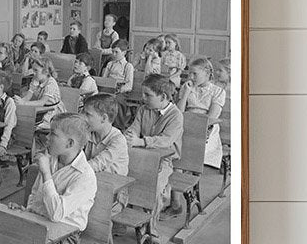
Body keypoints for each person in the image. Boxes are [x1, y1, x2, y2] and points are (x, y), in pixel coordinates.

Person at [16, 113, 96, 232]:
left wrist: (46, 173)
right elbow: (36, 195)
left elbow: (56, 214)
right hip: (39, 223)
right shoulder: (50, 160)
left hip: (65, 236)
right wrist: (26, 211)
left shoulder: (85, 176)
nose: (47, 137)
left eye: (52, 134)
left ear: (70, 143)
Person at [125, 74, 185, 226]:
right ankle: (124, 221)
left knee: (155, 187)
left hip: (164, 160)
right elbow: (135, 127)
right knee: (123, 179)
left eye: (148, 95)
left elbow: (166, 140)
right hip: (142, 155)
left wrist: (141, 141)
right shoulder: (144, 109)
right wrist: (130, 135)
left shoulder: (176, 116)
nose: (143, 98)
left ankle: (151, 228)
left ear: (163, 97)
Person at [177, 56, 226, 168]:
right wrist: (185, 93)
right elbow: (179, 113)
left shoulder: (218, 91)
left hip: (206, 126)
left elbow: (212, 117)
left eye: (195, 74)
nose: (191, 77)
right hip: (186, 122)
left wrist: (193, 126)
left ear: (207, 73)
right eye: (190, 73)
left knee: (194, 147)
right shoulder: (187, 87)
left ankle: (191, 170)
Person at [81, 94, 129, 176]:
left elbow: (98, 163)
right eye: (83, 113)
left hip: (115, 185)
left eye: (88, 114)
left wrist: (72, 170)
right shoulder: (89, 133)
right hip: (93, 178)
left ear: (103, 118)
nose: (82, 117)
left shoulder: (118, 140)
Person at [16, 57, 64, 127]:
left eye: (36, 70)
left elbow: (41, 102)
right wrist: (19, 101)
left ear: (45, 71)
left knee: (37, 126)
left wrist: (23, 103)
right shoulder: (35, 80)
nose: (33, 73)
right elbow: (27, 97)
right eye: (33, 70)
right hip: (41, 109)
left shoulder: (51, 83)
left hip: (52, 111)